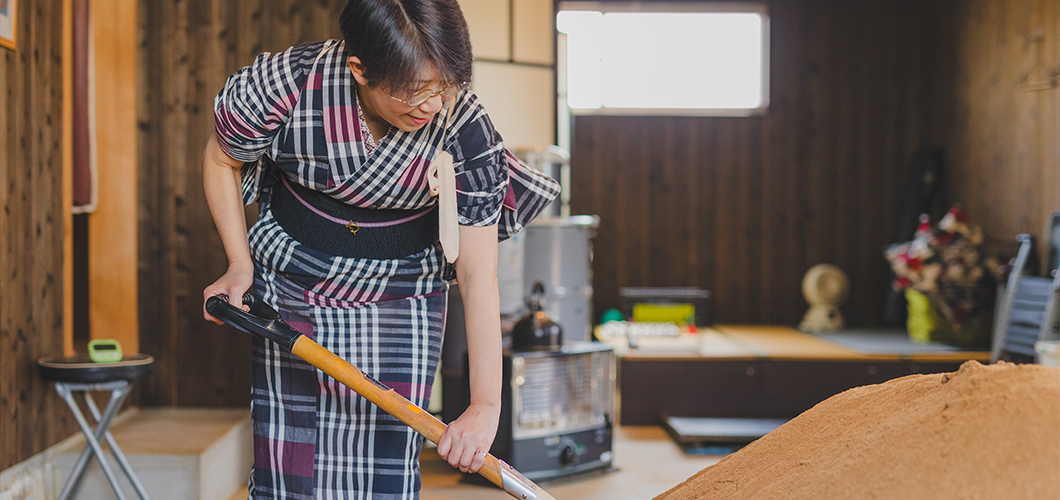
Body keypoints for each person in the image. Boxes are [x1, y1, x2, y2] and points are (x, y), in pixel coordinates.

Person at [200, 1, 558, 498]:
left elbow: (478, 276)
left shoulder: (465, 126)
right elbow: (221, 159)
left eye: (446, 87)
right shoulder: (288, 83)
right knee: (291, 463)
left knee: (384, 463)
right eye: (415, 92)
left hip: (403, 288)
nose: (433, 105)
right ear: (360, 70)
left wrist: (485, 406)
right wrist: (239, 265)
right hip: (294, 276)